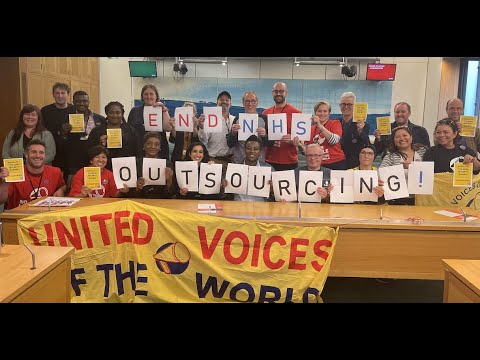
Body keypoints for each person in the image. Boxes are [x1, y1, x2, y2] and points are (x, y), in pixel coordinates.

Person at [0, 139, 66, 210]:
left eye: (41, 152)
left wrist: (61, 190)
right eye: (33, 152)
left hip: (45, 218)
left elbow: (63, 186)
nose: (37, 156)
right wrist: (6, 182)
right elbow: (1, 200)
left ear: (45, 155)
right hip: (19, 217)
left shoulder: (55, 172)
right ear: (26, 154)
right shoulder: (15, 172)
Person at [61, 90, 106, 187]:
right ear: (73, 102)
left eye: (84, 101)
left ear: (89, 102)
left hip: (94, 161)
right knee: (75, 190)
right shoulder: (66, 119)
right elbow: (62, 142)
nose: (82, 104)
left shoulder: (99, 119)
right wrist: (64, 133)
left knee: (95, 189)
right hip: (74, 163)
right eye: (78, 101)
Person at [379, 126, 428, 205]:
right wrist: (399, 169)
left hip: (421, 199)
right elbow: (380, 173)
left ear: (411, 138)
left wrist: (412, 168)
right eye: (397, 137)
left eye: (405, 135)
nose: (401, 138)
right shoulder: (390, 156)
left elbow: (430, 172)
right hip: (397, 200)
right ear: (394, 141)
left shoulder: (423, 152)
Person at [88, 101, 141, 171]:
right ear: (106, 114)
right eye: (111, 113)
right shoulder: (96, 131)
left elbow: (138, 152)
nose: (114, 115)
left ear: (122, 114)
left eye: (118, 113)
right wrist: (100, 145)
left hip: (126, 169)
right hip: (104, 168)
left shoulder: (131, 131)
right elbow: (89, 152)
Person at [262, 82, 302, 171]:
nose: (278, 94)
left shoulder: (297, 113)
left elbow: (302, 140)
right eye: (276, 91)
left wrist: (294, 140)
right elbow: (262, 138)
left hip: (289, 161)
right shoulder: (265, 113)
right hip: (269, 160)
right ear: (272, 93)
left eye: (281, 91)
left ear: (286, 93)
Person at [124, 132, 176, 199]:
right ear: (144, 146)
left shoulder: (167, 164)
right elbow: (130, 193)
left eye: (156, 144)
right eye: (149, 144)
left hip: (161, 201)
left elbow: (171, 194)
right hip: (140, 201)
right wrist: (138, 188)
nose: (153, 147)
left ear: (160, 148)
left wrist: (169, 180)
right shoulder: (135, 163)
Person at [224, 135, 274, 202]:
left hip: (261, 208)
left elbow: (276, 195)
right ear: (244, 150)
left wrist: (273, 190)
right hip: (238, 207)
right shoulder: (234, 169)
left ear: (260, 151)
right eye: (248, 148)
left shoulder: (269, 169)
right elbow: (225, 194)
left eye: (255, 149)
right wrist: (224, 186)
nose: (252, 151)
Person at [227, 91, 274, 164]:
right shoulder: (237, 119)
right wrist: (233, 133)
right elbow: (230, 144)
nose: (250, 104)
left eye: (253, 101)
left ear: (257, 102)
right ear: (243, 103)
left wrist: (265, 135)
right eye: (247, 101)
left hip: (259, 162)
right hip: (239, 161)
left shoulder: (264, 119)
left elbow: (271, 144)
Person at [127, 84, 172, 160]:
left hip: (159, 149)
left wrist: (164, 110)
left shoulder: (162, 110)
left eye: (151, 94)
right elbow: (129, 130)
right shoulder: (135, 111)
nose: (148, 97)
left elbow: (168, 128)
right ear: (142, 96)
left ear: (156, 96)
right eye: (146, 94)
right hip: (139, 149)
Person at [40, 82, 76, 169]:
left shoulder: (75, 110)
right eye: (57, 93)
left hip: (71, 150)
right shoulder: (45, 111)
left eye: (63, 93)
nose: (60, 96)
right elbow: (41, 130)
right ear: (53, 95)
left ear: (68, 94)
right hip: (51, 149)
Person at [197, 91, 235, 171]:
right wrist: (202, 127)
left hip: (231, 162)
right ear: (217, 103)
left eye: (227, 100)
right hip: (213, 160)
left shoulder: (235, 120)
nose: (224, 102)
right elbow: (203, 140)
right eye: (221, 100)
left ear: (230, 103)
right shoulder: (210, 120)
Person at [304, 100, 347, 170]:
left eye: (325, 111)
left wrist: (318, 125)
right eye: (319, 111)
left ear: (329, 113)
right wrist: (298, 144)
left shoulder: (335, 123)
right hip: (318, 164)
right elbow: (307, 150)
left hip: (336, 163)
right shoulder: (311, 129)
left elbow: (333, 141)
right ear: (315, 113)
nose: (322, 113)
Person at [337, 91, 371, 169]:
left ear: (355, 106)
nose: (346, 107)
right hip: (336, 164)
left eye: (349, 104)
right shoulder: (335, 123)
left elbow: (366, 145)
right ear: (340, 106)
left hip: (354, 165)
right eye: (343, 104)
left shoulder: (364, 125)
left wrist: (360, 131)